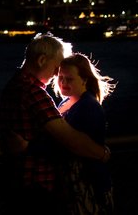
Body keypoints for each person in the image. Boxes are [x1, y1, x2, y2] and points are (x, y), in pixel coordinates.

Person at [0, 33, 111, 215]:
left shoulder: (12, 86)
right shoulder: (33, 93)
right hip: (37, 184)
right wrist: (103, 153)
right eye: (56, 67)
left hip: (15, 179)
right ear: (42, 60)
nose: (56, 74)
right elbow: (69, 140)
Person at [54, 53, 116, 214]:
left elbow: (74, 144)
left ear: (84, 80)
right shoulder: (66, 102)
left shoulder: (88, 106)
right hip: (73, 184)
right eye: (61, 77)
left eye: (69, 79)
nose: (63, 83)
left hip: (87, 184)